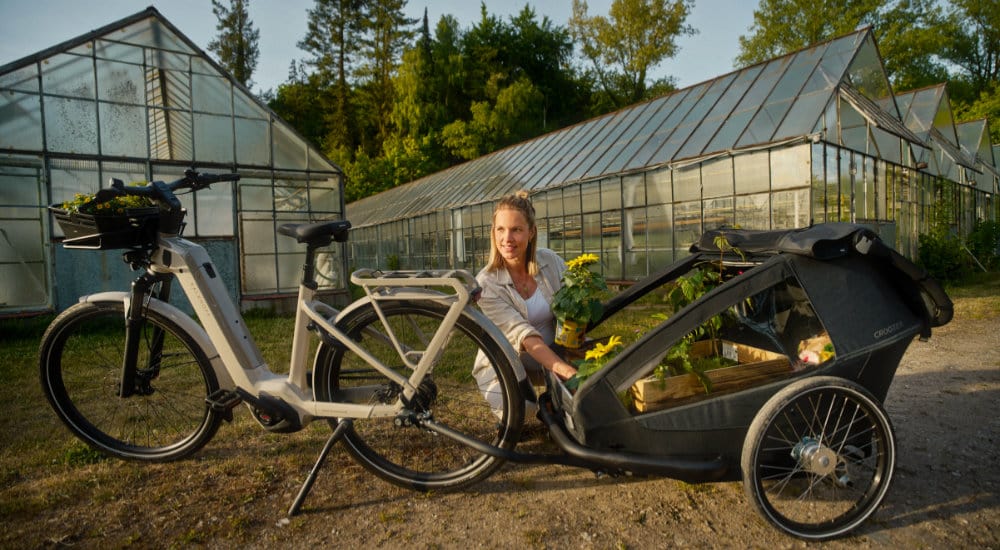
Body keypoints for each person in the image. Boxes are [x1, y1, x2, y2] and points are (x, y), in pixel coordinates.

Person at [472, 191, 577, 414]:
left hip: (553, 353)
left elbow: (577, 300)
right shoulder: (487, 284)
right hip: (507, 363)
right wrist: (567, 371)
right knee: (523, 414)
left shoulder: (550, 261)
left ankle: (555, 393)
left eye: (516, 230)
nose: (507, 239)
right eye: (500, 229)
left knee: (606, 373)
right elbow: (525, 337)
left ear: (531, 233)